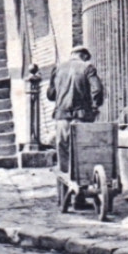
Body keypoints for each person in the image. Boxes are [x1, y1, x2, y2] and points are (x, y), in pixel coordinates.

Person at [47, 46, 104, 176]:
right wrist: (95, 107)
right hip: (82, 116)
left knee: (63, 149)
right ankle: (82, 178)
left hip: (62, 116)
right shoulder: (88, 67)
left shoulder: (58, 68)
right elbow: (97, 90)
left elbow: (50, 95)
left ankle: (66, 179)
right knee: (83, 149)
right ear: (84, 56)